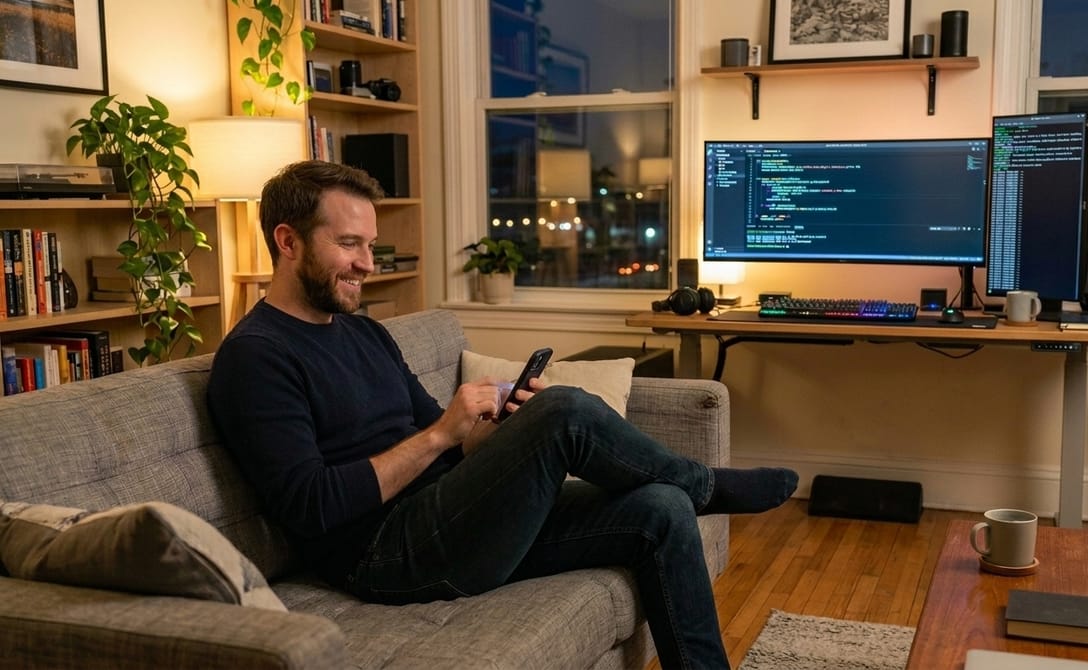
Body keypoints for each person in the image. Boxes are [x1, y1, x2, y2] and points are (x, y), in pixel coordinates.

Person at [206, 160, 799, 669]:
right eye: (348, 244)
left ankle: (689, 515)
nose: (367, 264)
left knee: (661, 507)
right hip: (387, 555)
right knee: (566, 408)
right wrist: (443, 434)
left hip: (453, 514)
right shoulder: (256, 357)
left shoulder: (364, 333)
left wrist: (501, 429)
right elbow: (312, 505)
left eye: (370, 245)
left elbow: (450, 442)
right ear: (288, 241)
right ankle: (705, 484)